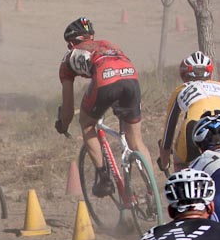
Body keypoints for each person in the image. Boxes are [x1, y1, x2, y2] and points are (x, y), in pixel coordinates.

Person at [54, 16, 151, 194]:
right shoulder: (107, 44)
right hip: (131, 77)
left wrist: (63, 124)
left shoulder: (69, 58)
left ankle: (104, 178)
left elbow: (68, 108)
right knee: (136, 141)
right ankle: (152, 190)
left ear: (71, 43)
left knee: (87, 124)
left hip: (105, 79)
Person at [157, 51, 220, 172]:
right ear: (210, 74)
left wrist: (164, 163)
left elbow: (168, 133)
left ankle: (184, 185)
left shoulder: (181, 90)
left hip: (194, 127)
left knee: (181, 163)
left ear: (184, 76)